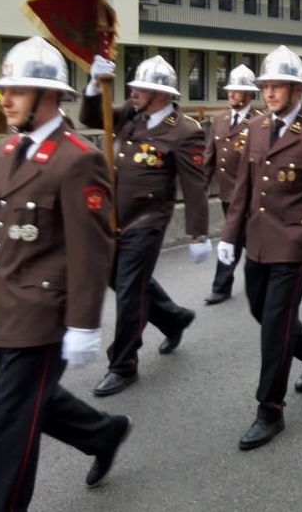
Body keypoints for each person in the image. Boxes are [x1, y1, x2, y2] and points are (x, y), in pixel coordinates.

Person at [0, 37, 131, 512]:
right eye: (6, 88)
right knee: (30, 399)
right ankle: (102, 432)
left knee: (10, 421)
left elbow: (92, 251)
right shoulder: (6, 149)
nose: (5, 98)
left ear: (48, 95)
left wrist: (82, 324)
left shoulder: (77, 159)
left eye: (17, 89)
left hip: (45, 315)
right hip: (6, 306)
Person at [217, 45, 302, 450]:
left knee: (274, 326)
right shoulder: (255, 127)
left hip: (293, 243)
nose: (269, 92)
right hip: (256, 239)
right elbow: (243, 190)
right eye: (265, 85)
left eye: (278, 86)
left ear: (296, 90)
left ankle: (269, 409)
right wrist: (228, 236)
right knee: (259, 308)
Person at [81, 55, 210, 397]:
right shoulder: (129, 114)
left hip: (148, 221)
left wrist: (197, 233)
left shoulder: (185, 131)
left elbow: (195, 186)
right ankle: (172, 318)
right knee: (121, 280)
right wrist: (94, 85)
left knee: (128, 291)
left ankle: (122, 364)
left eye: (142, 88)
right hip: (114, 217)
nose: (133, 92)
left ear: (162, 94)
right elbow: (92, 116)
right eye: (134, 87)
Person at [202, 64, 260, 305]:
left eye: (237, 91)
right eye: (230, 90)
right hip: (228, 194)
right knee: (237, 239)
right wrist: (199, 191)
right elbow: (209, 158)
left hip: (251, 197)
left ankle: (223, 286)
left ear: (248, 94)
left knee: (238, 238)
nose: (231, 95)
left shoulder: (259, 122)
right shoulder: (219, 120)